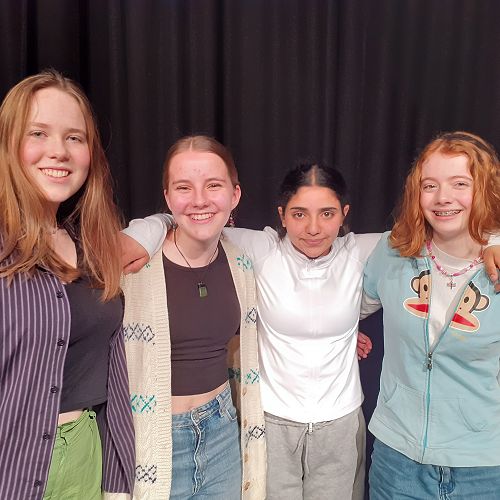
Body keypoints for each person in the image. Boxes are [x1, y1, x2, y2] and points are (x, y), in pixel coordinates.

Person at [122, 157, 500, 500]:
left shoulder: (365, 251)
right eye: (300, 214)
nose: (314, 228)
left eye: (327, 214)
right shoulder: (261, 249)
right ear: (282, 215)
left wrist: (494, 239)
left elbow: (444, 229)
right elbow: (195, 218)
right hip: (271, 421)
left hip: (340, 424)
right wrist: (146, 230)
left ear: (344, 214)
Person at [0, 70, 135, 499]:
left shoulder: (91, 247)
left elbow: (113, 374)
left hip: (84, 459)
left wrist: (117, 483)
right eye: (38, 133)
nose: (58, 151)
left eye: (74, 138)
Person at [120, 135, 266, 499]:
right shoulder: (132, 265)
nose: (200, 200)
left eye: (213, 185)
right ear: (168, 198)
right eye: (184, 187)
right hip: (153, 437)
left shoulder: (242, 262)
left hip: (222, 432)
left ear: (234, 195)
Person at [362, 131, 500, 499]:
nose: (443, 198)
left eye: (460, 183)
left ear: (484, 189)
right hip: (397, 460)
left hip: (484, 467)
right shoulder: (392, 251)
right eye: (430, 185)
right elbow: (343, 304)